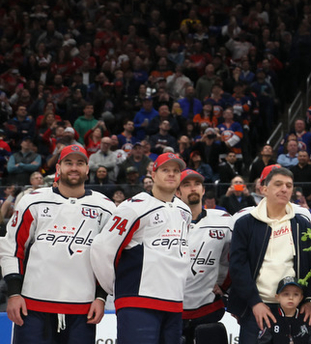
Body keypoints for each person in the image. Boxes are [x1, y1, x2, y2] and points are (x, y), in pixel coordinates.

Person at [0, 144, 113, 344]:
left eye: (80, 163)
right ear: (58, 167)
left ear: (87, 169)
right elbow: (12, 248)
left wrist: (101, 297)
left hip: (83, 308)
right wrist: (14, 293)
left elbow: (108, 257)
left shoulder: (105, 207)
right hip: (33, 305)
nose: (74, 168)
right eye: (68, 163)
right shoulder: (33, 201)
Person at [91, 152, 193, 344]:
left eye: (176, 170)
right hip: (138, 301)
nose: (171, 174)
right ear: (153, 174)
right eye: (165, 170)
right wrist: (113, 286)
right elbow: (102, 247)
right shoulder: (134, 207)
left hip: (174, 301)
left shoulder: (184, 211)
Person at [228, 165, 311, 344]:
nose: (284, 189)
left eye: (289, 185)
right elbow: (238, 267)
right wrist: (255, 302)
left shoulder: (301, 224)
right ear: (264, 189)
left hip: (294, 308)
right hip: (257, 308)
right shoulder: (245, 223)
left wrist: (309, 300)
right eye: (278, 184)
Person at [181, 169, 234, 344]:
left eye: (197, 184)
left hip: (208, 309)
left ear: (203, 190)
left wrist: (224, 287)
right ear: (177, 192)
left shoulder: (223, 221)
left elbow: (236, 257)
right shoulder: (166, 222)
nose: (193, 188)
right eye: (186, 185)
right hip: (172, 310)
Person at [257, 277, 311, 344]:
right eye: (286, 294)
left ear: (301, 298)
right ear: (277, 297)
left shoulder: (305, 319)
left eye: (296, 294)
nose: (291, 298)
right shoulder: (271, 319)